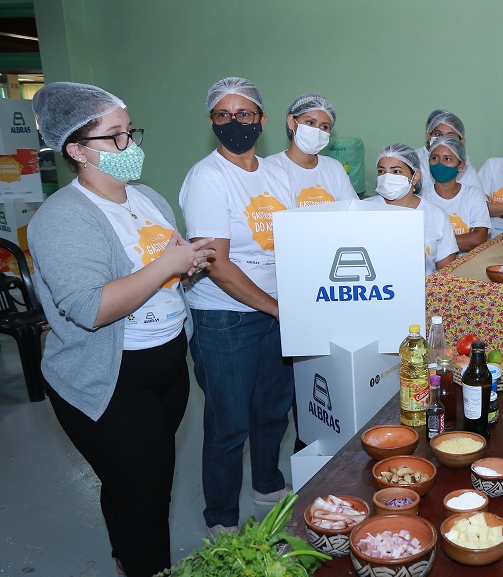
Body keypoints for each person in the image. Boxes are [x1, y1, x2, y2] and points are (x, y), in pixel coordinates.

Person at [28, 82, 214, 577]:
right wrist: (165, 265)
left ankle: (125, 556)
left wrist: (185, 266)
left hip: (166, 369)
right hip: (109, 380)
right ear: (76, 150)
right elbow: (90, 308)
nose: (130, 146)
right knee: (147, 498)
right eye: (114, 137)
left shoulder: (147, 197)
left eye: (131, 132)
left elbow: (158, 274)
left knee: (134, 483)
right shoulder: (62, 218)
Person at [179, 77, 295, 537]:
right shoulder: (208, 177)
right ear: (213, 122)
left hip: (274, 311)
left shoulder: (276, 172)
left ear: (262, 121)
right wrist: (277, 309)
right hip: (226, 317)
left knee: (271, 408)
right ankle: (222, 515)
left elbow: (296, 239)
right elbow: (217, 265)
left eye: (244, 114)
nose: (234, 123)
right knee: (228, 422)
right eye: (222, 115)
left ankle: (267, 484)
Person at [367, 143, 458, 274]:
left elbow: (446, 273)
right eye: (381, 171)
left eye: (396, 171)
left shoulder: (435, 214)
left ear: (415, 177)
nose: (387, 177)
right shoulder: (364, 210)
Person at [263, 92, 358, 207]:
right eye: (310, 123)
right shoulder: (270, 167)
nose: (317, 131)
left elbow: (353, 211)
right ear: (292, 122)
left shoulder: (334, 169)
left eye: (324, 127)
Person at [419, 135, 490, 252]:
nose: (440, 164)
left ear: (460, 166)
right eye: (435, 158)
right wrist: (464, 239)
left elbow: (478, 239)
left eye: (447, 159)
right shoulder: (421, 196)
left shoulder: (473, 195)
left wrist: (434, 242)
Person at [415, 109, 484, 192]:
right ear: (429, 135)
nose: (443, 139)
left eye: (450, 136)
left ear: (461, 141)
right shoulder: (417, 160)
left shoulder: (466, 167)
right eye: (438, 134)